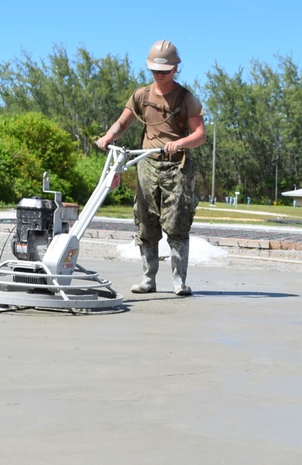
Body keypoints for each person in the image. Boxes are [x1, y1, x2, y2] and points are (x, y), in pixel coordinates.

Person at [95, 40, 206, 296]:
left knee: (177, 224)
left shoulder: (185, 98)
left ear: (175, 69)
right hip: (146, 165)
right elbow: (121, 124)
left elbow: (200, 135)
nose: (159, 74)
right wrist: (108, 137)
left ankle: (180, 282)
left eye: (164, 70)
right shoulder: (141, 96)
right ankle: (148, 279)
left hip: (176, 167)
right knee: (146, 223)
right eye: (155, 70)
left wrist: (178, 143)